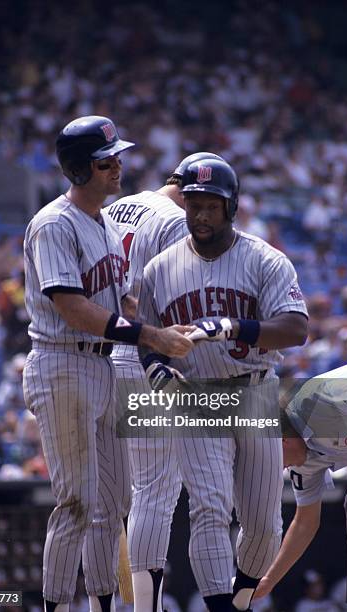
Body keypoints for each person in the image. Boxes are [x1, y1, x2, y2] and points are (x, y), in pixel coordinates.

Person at [22, 115, 194, 612]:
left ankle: (101, 604)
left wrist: (166, 330)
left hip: (102, 366)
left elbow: (124, 307)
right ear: (80, 169)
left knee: (113, 505)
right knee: (76, 503)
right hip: (63, 363)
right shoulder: (54, 223)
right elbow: (73, 308)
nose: (117, 166)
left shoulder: (106, 220)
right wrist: (148, 334)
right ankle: (55, 605)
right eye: (105, 161)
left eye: (117, 157)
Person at [134, 157, 308, 612]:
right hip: (197, 393)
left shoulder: (264, 258)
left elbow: (294, 329)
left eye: (212, 206)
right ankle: (218, 607)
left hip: (254, 388)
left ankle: (240, 599)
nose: (202, 216)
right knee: (209, 509)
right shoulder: (159, 269)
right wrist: (154, 368)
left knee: (264, 524)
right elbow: (148, 337)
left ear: (231, 207)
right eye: (194, 205)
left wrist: (232, 326)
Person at [106, 151, 224, 612]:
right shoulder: (176, 221)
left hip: (106, 352)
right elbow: (183, 304)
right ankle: (141, 608)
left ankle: (109, 605)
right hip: (146, 357)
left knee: (113, 502)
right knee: (155, 490)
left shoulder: (116, 207)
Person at [254, 360, 347, 611]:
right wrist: (267, 581)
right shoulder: (302, 464)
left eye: (273, 462)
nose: (280, 470)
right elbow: (305, 522)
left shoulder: (321, 400)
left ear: (281, 441)